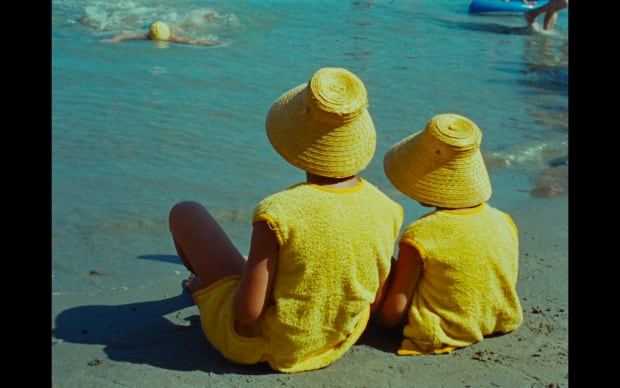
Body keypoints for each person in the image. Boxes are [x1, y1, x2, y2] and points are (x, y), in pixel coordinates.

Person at [168, 67, 404, 373]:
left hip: (267, 343)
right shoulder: (386, 207)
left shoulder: (279, 212)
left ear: (295, 137)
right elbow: (375, 286)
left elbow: (248, 313)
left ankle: (204, 286)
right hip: (334, 338)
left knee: (186, 212)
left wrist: (214, 295)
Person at [376, 113, 523, 355]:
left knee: (382, 265)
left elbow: (394, 314)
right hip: (498, 318)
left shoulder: (422, 235)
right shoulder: (503, 220)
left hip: (440, 330)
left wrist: (378, 320)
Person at [101, 21, 222, 46]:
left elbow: (193, 42)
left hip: (169, 26)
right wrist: (114, 40)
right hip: (157, 25)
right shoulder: (145, 35)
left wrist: (213, 43)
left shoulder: (172, 37)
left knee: (182, 26)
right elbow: (125, 35)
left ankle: (205, 19)